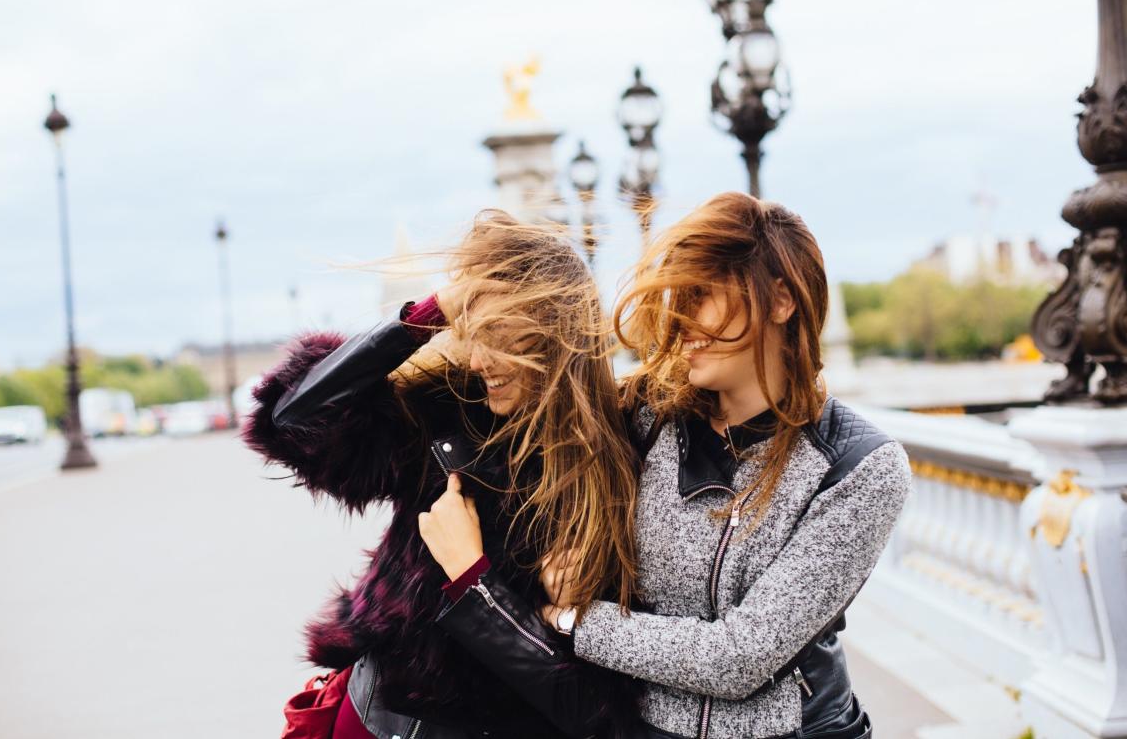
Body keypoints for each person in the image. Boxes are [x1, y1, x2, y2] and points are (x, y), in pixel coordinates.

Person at [429, 193, 910, 738]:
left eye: (701, 296)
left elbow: (739, 657)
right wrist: (443, 307)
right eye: (677, 296)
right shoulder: (645, 416)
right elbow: (538, 381)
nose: (679, 319)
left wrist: (572, 619)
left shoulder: (859, 468)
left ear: (780, 300)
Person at [243, 211, 642, 739]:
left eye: (500, 336)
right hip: (375, 718)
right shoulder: (445, 412)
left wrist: (471, 577)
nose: (478, 359)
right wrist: (430, 314)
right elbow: (291, 420)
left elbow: (590, 709)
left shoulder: (616, 474)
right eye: (470, 332)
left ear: (556, 335)